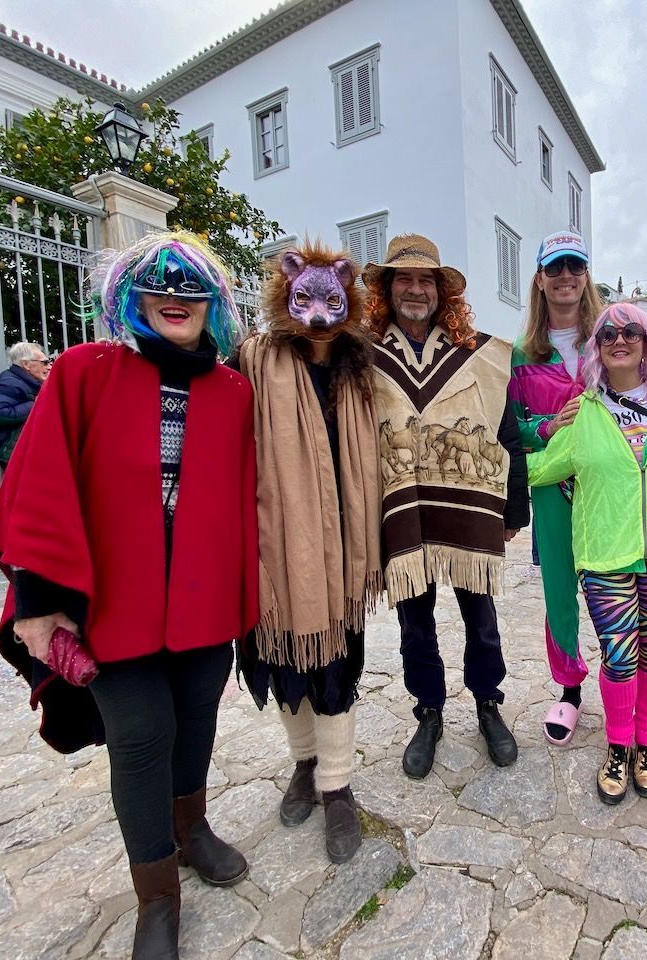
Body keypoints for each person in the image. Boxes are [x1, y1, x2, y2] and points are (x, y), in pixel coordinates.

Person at [0, 232, 259, 960]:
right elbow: (39, 484)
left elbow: (246, 497)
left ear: (213, 304)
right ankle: (157, 898)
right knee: (140, 740)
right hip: (113, 607)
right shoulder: (81, 371)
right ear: (129, 295)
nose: (175, 296)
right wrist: (39, 603)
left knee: (196, 719)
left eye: (191, 286)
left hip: (203, 604)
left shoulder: (233, 391)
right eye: (157, 283)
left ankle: (192, 830)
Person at [509, 230, 647, 760]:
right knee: (559, 592)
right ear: (541, 279)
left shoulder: (613, 334)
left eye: (575, 265)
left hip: (612, 490)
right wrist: (548, 429)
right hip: (555, 486)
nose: (566, 275)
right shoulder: (524, 353)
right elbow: (514, 426)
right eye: (555, 267)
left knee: (638, 590)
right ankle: (569, 688)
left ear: (586, 274)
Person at [527, 303, 647, 803]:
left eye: (631, 331)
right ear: (597, 347)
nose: (619, 339)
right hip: (605, 554)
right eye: (607, 333)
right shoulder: (584, 410)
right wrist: (532, 432)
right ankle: (618, 745)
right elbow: (540, 469)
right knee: (618, 652)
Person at [234, 242, 383, 865]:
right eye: (305, 300)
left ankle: (337, 785)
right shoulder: (251, 358)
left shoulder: (364, 366)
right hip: (276, 541)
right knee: (282, 659)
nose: (318, 314)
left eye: (330, 301)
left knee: (336, 663)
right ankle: (303, 765)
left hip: (344, 543)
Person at [364, 234, 529, 780]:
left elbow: (505, 432)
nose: (415, 289)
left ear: (441, 292)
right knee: (415, 620)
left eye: (425, 280)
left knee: (480, 616)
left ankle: (488, 704)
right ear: (388, 290)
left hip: (469, 508)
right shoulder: (363, 358)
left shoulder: (478, 355)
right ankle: (428, 712)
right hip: (402, 510)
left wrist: (511, 509)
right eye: (404, 279)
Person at [0, 341, 51, 465]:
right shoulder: (10, 383)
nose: (48, 367)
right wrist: (36, 404)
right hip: (13, 453)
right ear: (26, 364)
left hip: (20, 451)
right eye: (44, 362)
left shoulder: (26, 381)